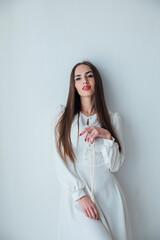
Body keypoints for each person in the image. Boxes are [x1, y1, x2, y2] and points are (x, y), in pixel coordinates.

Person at [51, 60, 132, 240]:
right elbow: (60, 161)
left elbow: (115, 165)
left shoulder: (113, 119)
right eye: (78, 78)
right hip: (77, 197)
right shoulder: (62, 119)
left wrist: (106, 135)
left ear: (97, 81)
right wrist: (80, 195)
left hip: (109, 195)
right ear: (74, 85)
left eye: (89, 75)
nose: (84, 81)